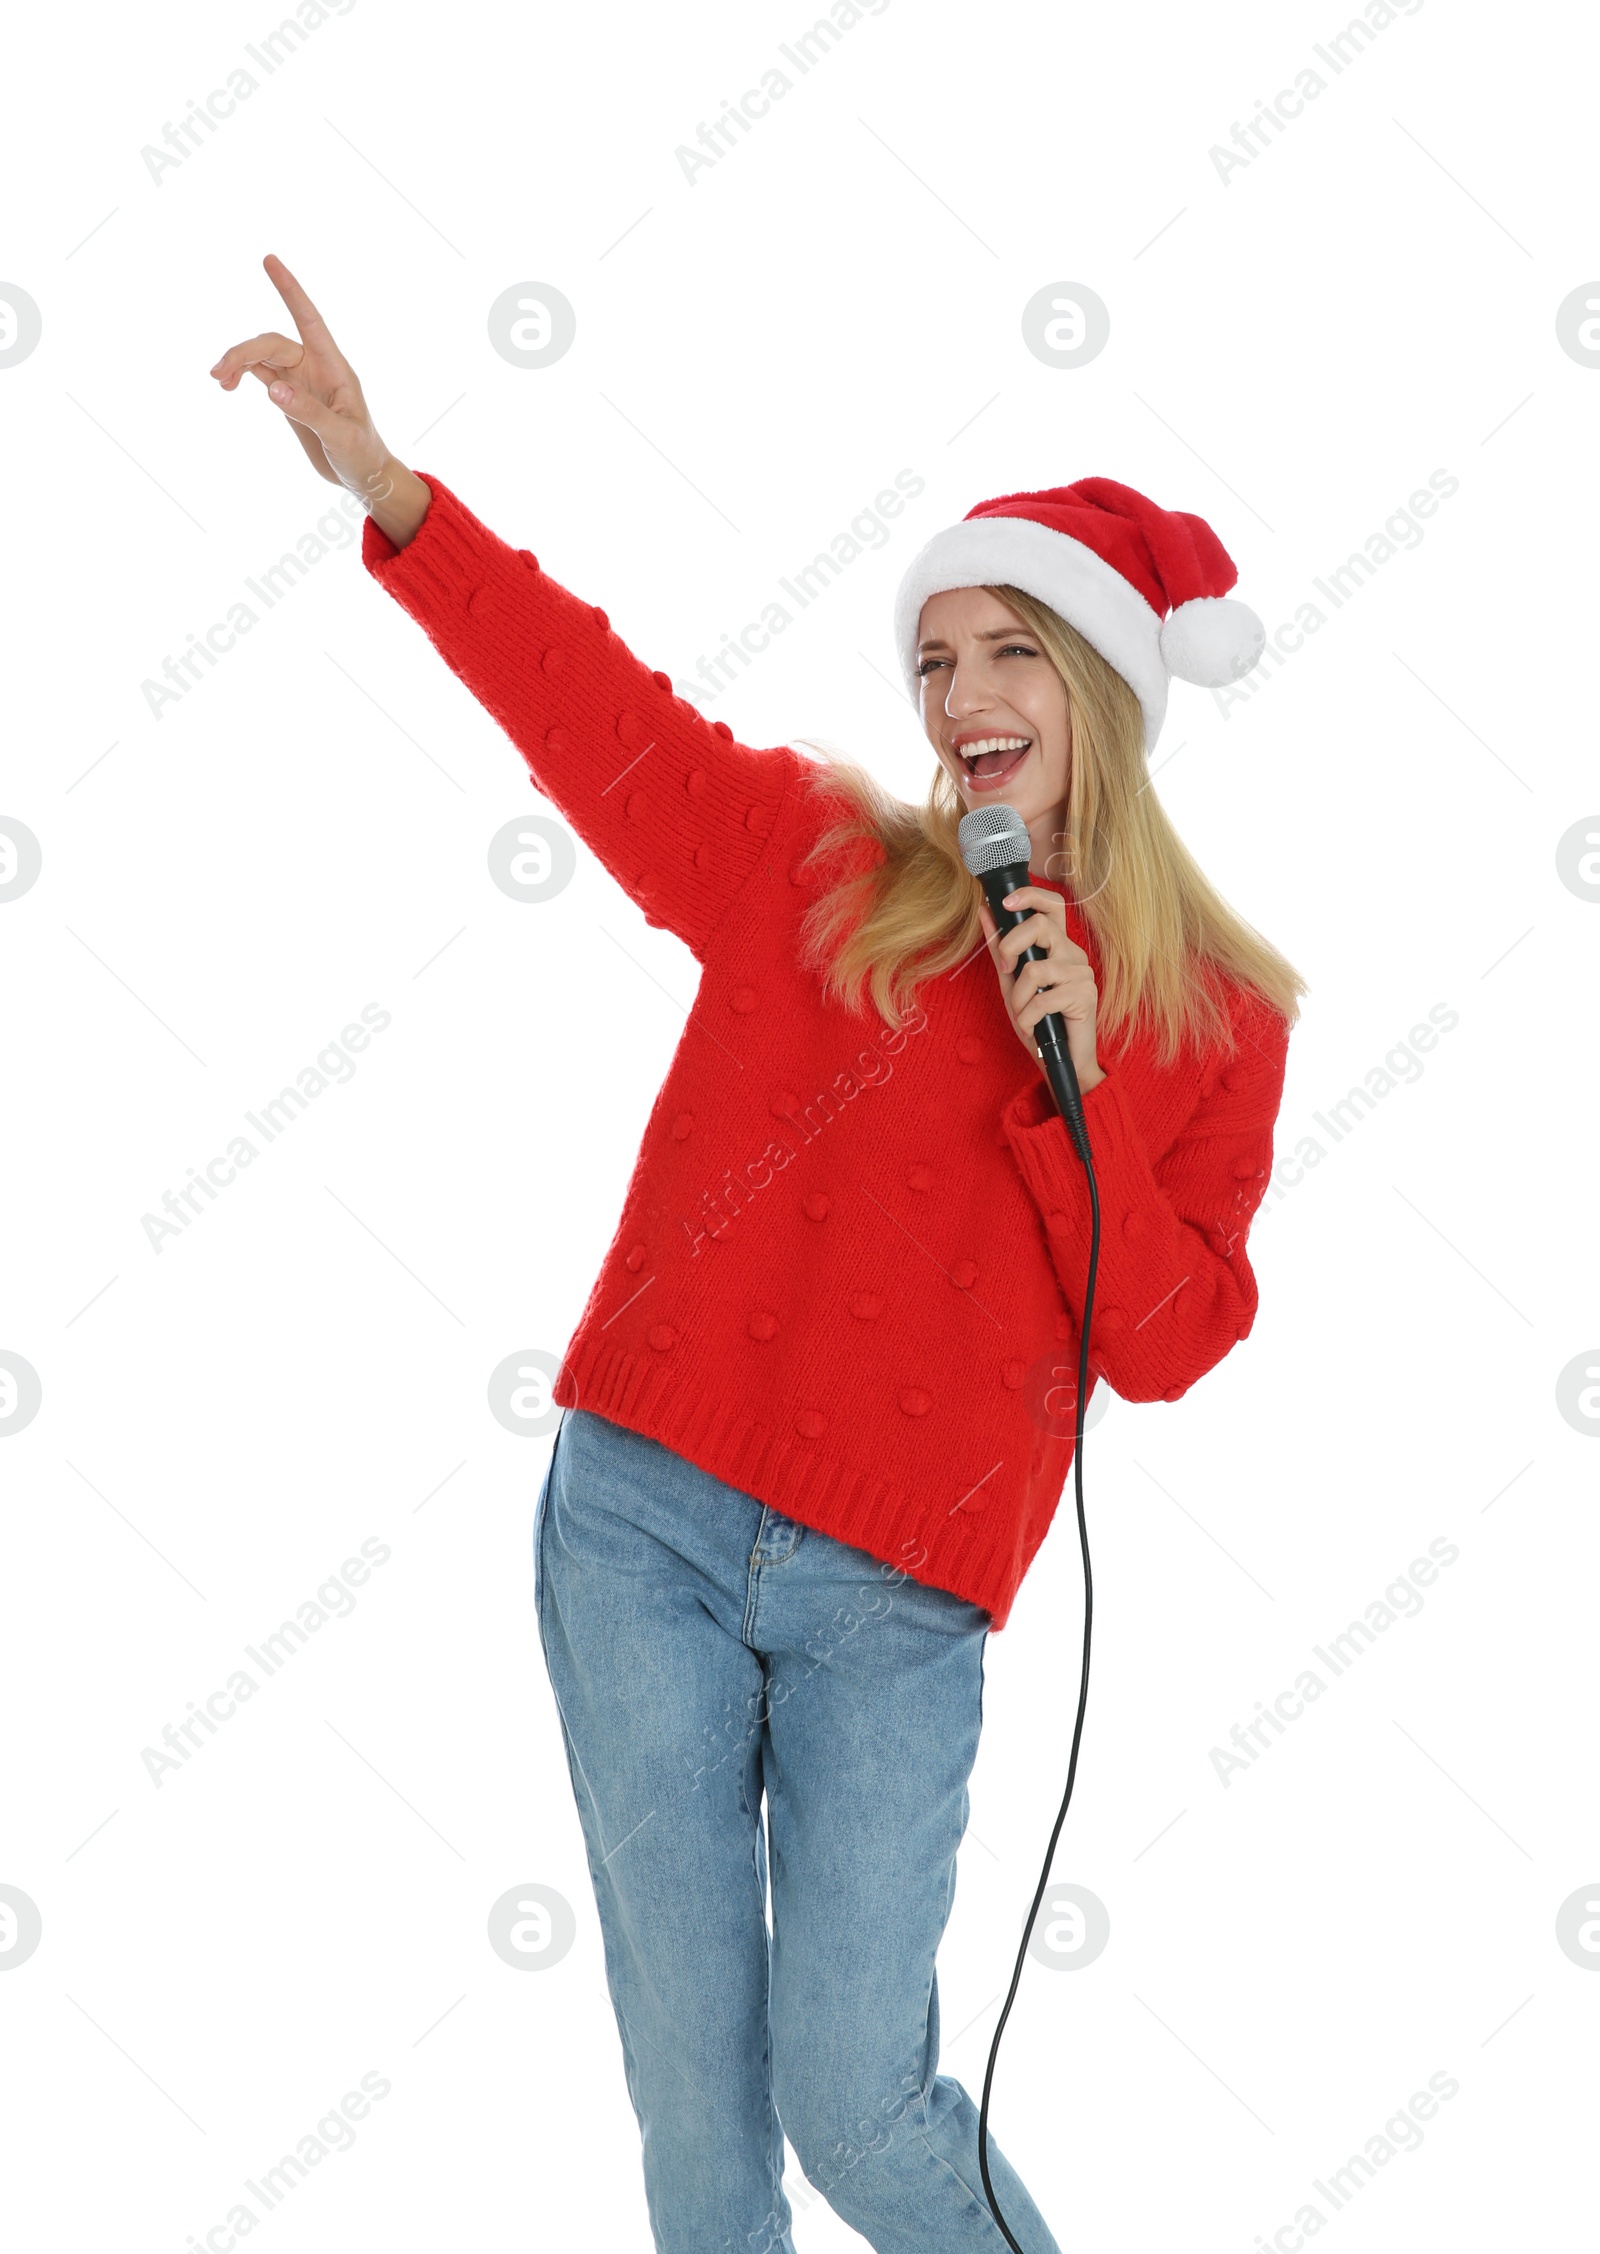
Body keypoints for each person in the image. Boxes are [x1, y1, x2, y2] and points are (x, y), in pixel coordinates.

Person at [210, 255, 1304, 2254]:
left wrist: (1068, 1097)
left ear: (1106, 692)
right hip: (641, 1525)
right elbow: (594, 714)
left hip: (898, 1607)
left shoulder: (1208, 1016)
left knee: (856, 2103)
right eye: (933, 660)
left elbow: (1164, 1336)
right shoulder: (809, 862)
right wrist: (394, 495)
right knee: (700, 2126)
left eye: (1009, 653)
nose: (958, 696)